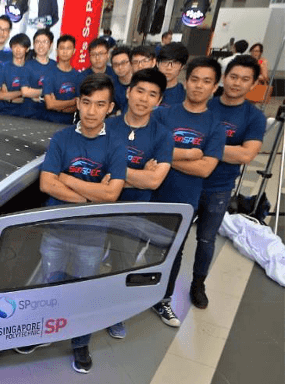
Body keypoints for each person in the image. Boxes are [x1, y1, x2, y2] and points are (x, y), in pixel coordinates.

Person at [35, 73, 126, 372]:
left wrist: (68, 179)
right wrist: (91, 196)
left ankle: (80, 342)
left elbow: (112, 194)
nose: (91, 111)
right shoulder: (62, 138)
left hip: (92, 235)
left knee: (84, 292)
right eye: (86, 102)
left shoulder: (116, 144)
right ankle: (44, 332)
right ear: (77, 103)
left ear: (110, 108)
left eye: (99, 104)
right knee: (50, 286)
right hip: (56, 230)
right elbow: (47, 184)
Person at [151, 56, 226, 327]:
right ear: (186, 81)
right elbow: (149, 150)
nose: (198, 86)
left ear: (214, 87)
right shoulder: (162, 114)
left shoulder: (215, 126)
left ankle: (163, 299)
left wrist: (167, 157)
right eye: (194, 79)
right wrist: (190, 154)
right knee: (138, 245)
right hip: (150, 193)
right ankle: (135, 294)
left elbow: (205, 168)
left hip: (183, 200)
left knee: (173, 251)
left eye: (206, 81)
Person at [104, 67, 173, 338]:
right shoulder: (107, 126)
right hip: (99, 206)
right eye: (140, 91)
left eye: (152, 94)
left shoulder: (162, 136)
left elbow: (154, 181)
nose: (144, 99)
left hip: (133, 212)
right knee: (88, 262)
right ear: (128, 92)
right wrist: (138, 174)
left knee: (123, 265)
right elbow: (97, 170)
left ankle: (115, 314)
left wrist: (117, 172)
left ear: (159, 100)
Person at [193, 55, 266, 308]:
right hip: (187, 181)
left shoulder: (254, 117)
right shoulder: (205, 104)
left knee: (206, 239)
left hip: (219, 187)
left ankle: (198, 284)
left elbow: (246, 155)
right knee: (173, 236)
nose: (237, 83)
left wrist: (205, 146)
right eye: (233, 77)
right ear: (223, 78)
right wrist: (222, 149)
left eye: (245, 79)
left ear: (253, 84)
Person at [43, 34, 81, 124]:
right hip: (49, 122)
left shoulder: (78, 76)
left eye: (68, 48)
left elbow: (79, 105)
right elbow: (50, 105)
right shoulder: (49, 74)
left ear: (74, 51)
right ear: (57, 51)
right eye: (62, 48)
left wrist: (57, 105)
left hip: (69, 124)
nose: (65, 51)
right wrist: (73, 101)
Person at [0, 33, 37, 118]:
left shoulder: (32, 69)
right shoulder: (4, 68)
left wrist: (12, 95)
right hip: (6, 110)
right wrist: (24, 92)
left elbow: (36, 96)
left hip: (27, 112)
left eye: (21, 46)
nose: (18, 50)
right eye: (15, 46)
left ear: (27, 49)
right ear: (11, 48)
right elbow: (2, 96)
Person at [22, 28, 56, 121]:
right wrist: (47, 93)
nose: (41, 45)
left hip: (51, 115)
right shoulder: (27, 65)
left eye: (45, 42)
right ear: (34, 44)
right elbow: (25, 92)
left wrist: (35, 93)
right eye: (38, 42)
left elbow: (58, 91)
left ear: (50, 45)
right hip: (30, 114)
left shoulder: (55, 66)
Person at [156, 42, 189, 108]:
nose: (169, 68)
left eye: (174, 63)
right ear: (157, 64)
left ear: (182, 67)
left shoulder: (186, 95)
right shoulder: (145, 89)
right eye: (165, 62)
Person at [110, 46, 133, 114]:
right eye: (116, 64)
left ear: (131, 62)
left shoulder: (140, 82)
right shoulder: (111, 85)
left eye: (123, 63)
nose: (120, 67)